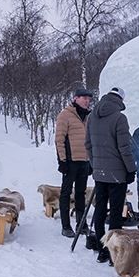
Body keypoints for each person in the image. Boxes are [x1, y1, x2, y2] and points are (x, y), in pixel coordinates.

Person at [84, 87, 136, 263]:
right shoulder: (120, 118)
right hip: (117, 174)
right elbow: (124, 148)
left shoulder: (92, 116)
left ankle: (102, 250)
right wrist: (131, 169)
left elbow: (88, 144)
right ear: (120, 100)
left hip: (100, 173)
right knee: (115, 212)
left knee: (99, 210)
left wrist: (95, 164)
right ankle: (114, 252)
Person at [54, 87, 94, 238]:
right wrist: (62, 160)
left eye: (89, 99)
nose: (87, 101)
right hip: (70, 162)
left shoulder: (88, 117)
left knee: (80, 194)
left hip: (84, 161)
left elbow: (91, 140)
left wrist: (91, 160)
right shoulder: (65, 115)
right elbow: (59, 139)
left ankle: (81, 225)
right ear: (76, 98)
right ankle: (66, 226)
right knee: (66, 193)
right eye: (84, 98)